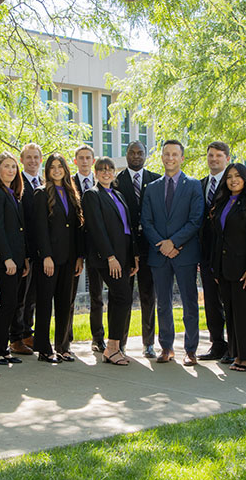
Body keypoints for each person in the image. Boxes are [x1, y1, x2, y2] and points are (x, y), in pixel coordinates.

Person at [141, 139, 204, 366]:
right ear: (162, 157)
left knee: (189, 303)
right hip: (159, 255)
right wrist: (162, 244)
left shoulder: (194, 185)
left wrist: (175, 243)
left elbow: (195, 220)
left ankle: (190, 350)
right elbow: (146, 222)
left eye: (174, 154)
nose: (170, 158)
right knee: (163, 304)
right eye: (166, 154)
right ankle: (166, 347)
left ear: (182, 157)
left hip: (184, 253)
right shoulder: (152, 188)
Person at [82, 157, 139, 366]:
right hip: (108, 256)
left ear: (114, 173)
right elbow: (96, 227)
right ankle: (112, 347)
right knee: (123, 295)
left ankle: (114, 347)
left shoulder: (119, 195)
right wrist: (110, 257)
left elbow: (128, 227)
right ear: (95, 173)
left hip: (124, 254)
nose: (106, 173)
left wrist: (133, 256)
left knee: (118, 297)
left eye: (110, 169)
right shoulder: (92, 195)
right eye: (102, 170)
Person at [210, 163, 246, 372]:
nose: (233, 180)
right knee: (231, 312)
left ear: (245, 178)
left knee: (245, 313)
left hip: (245, 269)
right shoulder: (223, 202)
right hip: (225, 269)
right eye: (229, 176)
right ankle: (237, 354)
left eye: (237, 176)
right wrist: (216, 268)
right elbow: (218, 238)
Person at [34, 153, 84, 363]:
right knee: (45, 303)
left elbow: (78, 229)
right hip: (50, 259)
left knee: (66, 303)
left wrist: (80, 257)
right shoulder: (41, 194)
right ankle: (44, 349)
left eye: (60, 166)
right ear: (47, 170)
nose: (56, 170)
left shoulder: (73, 193)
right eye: (52, 167)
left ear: (65, 169)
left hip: (70, 258)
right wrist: (46, 255)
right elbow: (40, 228)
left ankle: (63, 346)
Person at [116, 140, 160, 358]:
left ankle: (148, 343)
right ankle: (120, 343)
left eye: (139, 153)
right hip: (125, 250)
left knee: (148, 297)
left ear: (145, 155)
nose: (136, 156)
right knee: (124, 296)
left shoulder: (155, 180)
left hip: (149, 249)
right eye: (132, 153)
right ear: (126, 155)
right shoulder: (117, 181)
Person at [0, 151, 29, 365]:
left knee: (11, 303)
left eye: (13, 167)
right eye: (7, 166)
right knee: (7, 303)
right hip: (7, 261)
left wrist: (24, 259)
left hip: (18, 260)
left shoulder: (13, 194)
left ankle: (2, 349)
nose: (11, 170)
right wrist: (7, 258)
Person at [8, 143, 42, 355]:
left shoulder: (44, 182)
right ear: (22, 161)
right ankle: (15, 338)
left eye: (36, 157)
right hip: (23, 250)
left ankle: (27, 332)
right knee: (19, 297)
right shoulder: (15, 184)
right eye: (28, 157)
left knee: (33, 296)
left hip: (41, 251)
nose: (32, 161)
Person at [71, 145, 106, 353]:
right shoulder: (68, 183)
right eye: (81, 158)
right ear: (75, 161)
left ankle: (98, 337)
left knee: (97, 295)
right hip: (73, 246)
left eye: (88, 158)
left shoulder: (102, 183)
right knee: (69, 296)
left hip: (96, 248)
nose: (84, 161)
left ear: (93, 162)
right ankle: (66, 338)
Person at [198, 141, 230, 362]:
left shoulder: (232, 184)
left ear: (227, 158)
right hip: (205, 253)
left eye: (219, 155)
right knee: (211, 301)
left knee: (229, 301)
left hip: (228, 253)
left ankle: (235, 345)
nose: (214, 159)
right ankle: (217, 343)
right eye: (210, 155)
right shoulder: (199, 185)